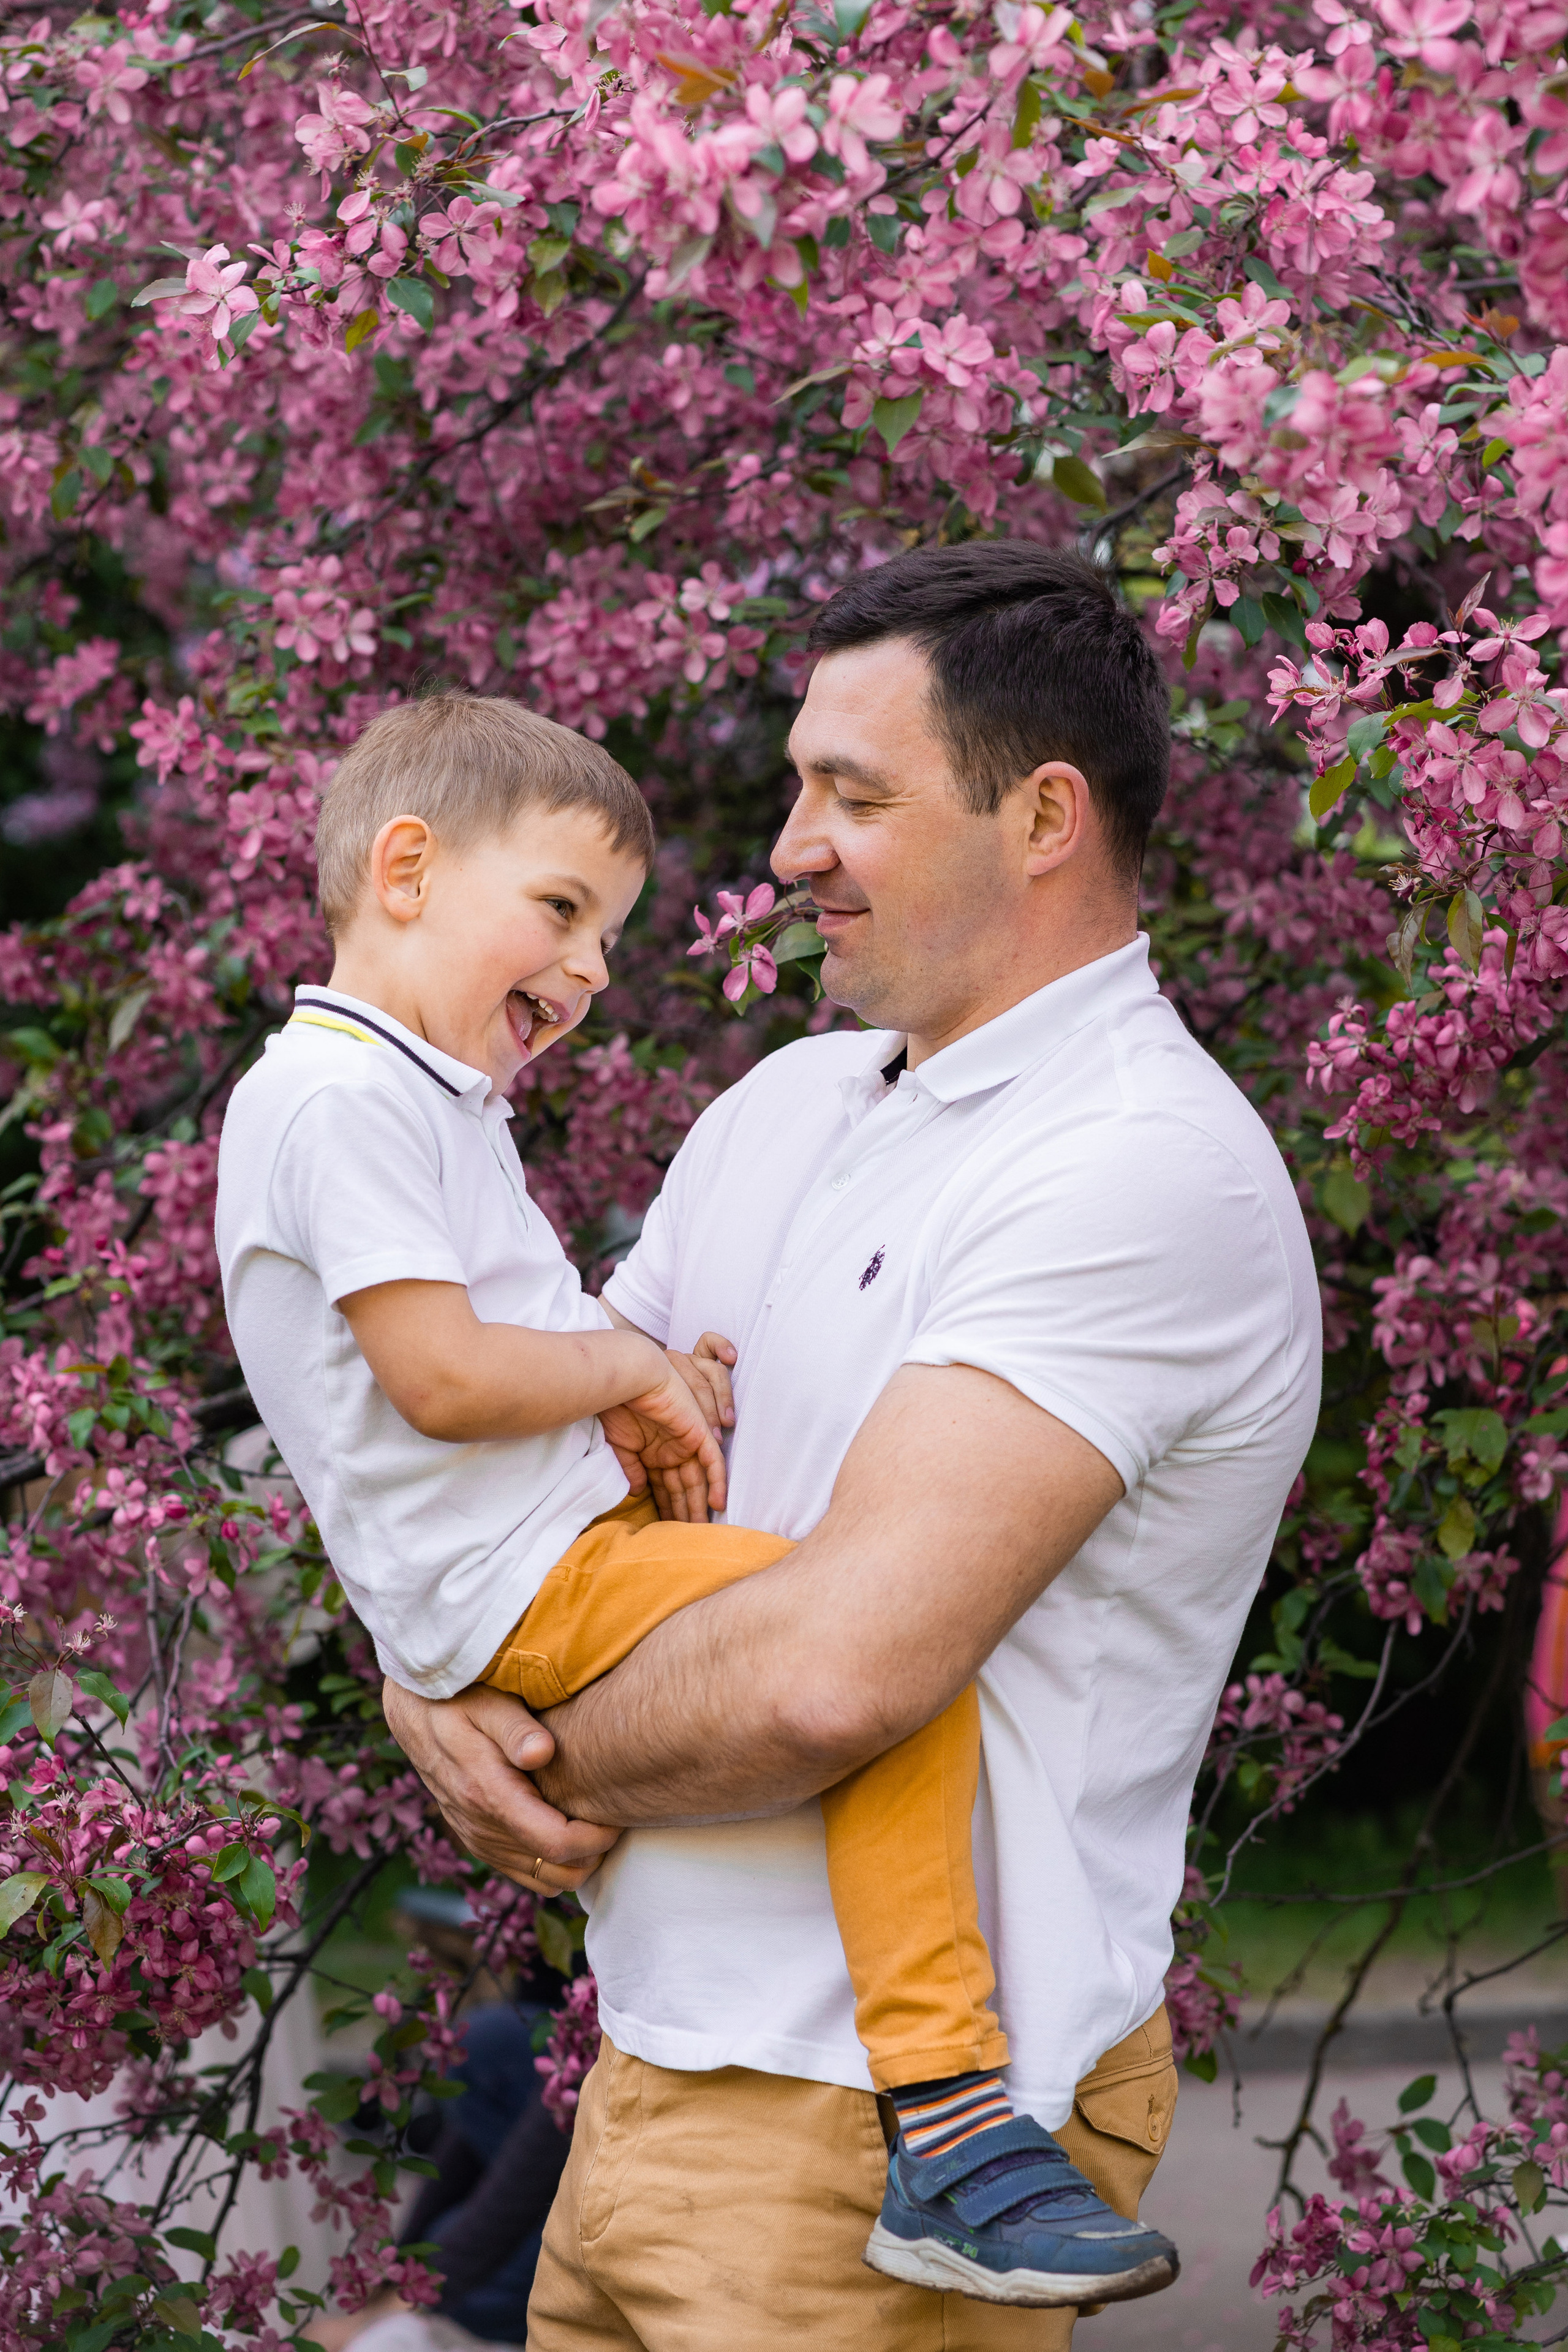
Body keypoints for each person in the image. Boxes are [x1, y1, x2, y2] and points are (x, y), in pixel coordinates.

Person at [382, 542, 1324, 2352]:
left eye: (853, 795)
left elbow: (837, 1675)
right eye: (802, 785)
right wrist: (431, 1676)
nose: (789, 849)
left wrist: (509, 1750)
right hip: (656, 2059)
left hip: (899, 2142)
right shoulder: (791, 1101)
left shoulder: (1132, 1167)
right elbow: (531, 1487)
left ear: (1043, 816)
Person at [213, 688, 1178, 2317]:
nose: (590, 971)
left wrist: (637, 1379)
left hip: (538, 1571)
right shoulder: (339, 1102)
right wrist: (627, 1374)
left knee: (853, 1647)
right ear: (404, 871)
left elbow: (462, 1386)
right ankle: (948, 2113)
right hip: (541, 1586)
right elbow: (443, 1376)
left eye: (610, 935)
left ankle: (940, 2111)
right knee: (891, 1671)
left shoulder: (398, 1098)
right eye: (563, 912)